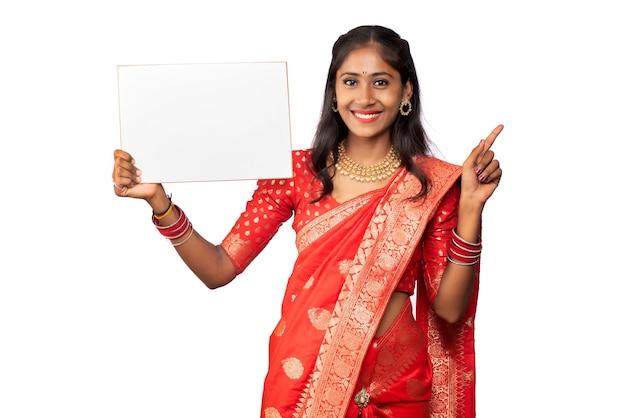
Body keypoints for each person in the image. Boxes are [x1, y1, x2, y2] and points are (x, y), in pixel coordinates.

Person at [112, 25, 503, 418]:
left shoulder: (432, 184)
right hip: (304, 385)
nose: (365, 97)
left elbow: (450, 310)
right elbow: (219, 267)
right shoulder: (299, 173)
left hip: (398, 388)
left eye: (380, 82)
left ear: (406, 92)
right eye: (351, 82)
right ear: (334, 93)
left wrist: (471, 208)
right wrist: (160, 204)